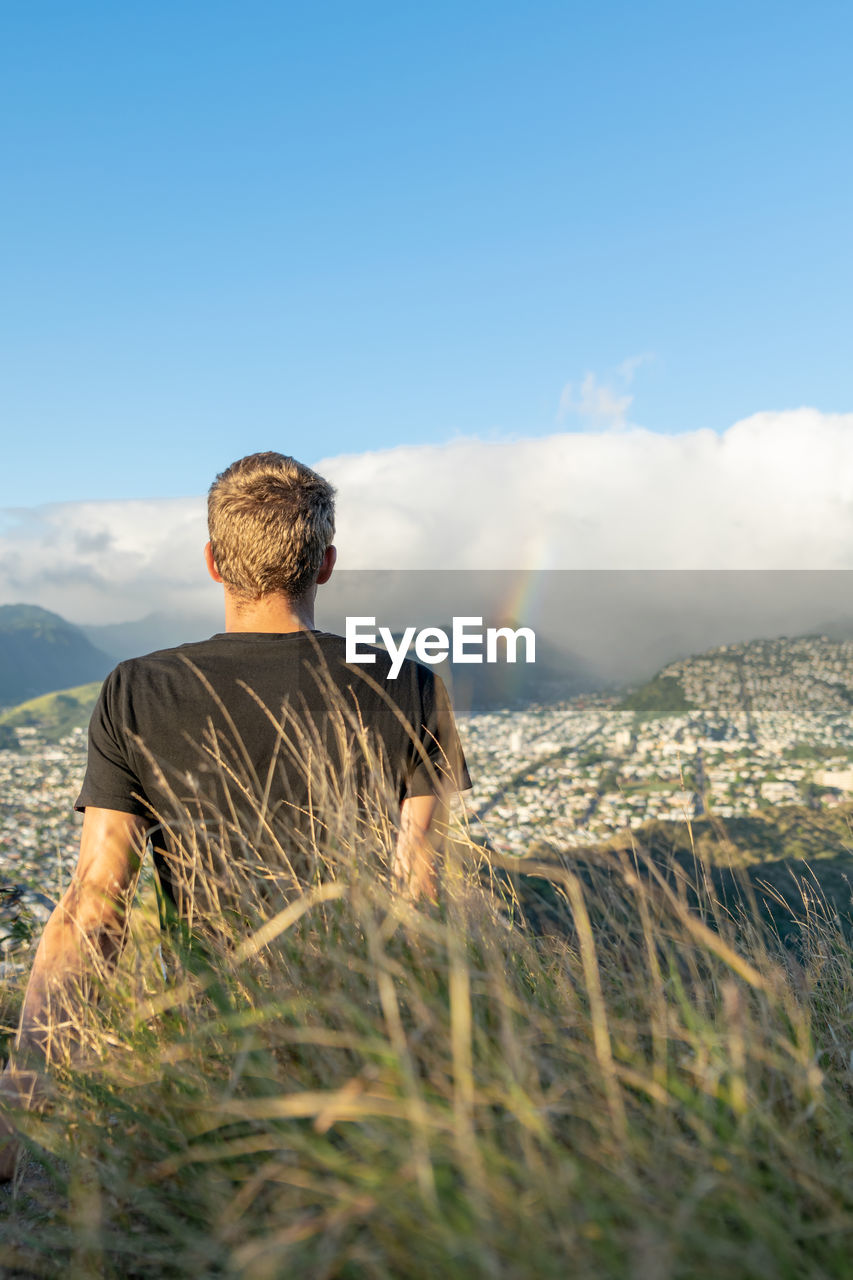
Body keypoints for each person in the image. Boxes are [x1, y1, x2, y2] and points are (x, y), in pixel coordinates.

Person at [0, 451, 470, 1178]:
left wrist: (31, 1080)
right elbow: (424, 893)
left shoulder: (138, 690)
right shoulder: (411, 686)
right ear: (326, 563)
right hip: (367, 1062)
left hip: (209, 1053)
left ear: (214, 562)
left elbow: (96, 904)